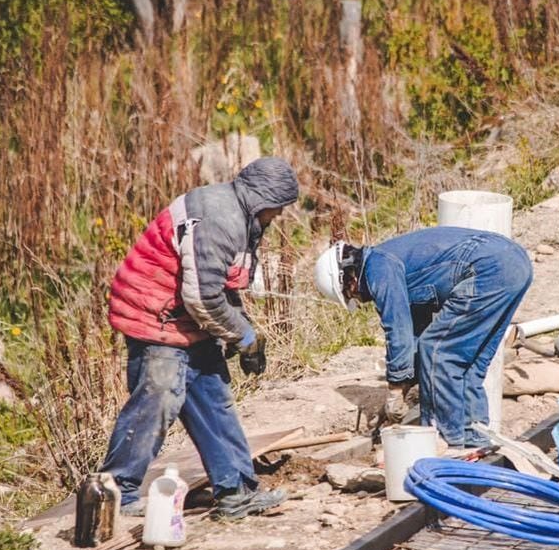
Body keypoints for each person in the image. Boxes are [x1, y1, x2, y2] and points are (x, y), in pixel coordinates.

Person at [101, 157, 298, 519]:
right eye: (277, 209)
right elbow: (203, 297)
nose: (278, 217)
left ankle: (236, 491)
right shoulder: (219, 219)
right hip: (154, 314)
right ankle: (115, 493)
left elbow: (220, 285)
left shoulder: (242, 217)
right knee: (158, 400)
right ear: (262, 200)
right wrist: (243, 336)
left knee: (213, 400)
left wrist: (242, 326)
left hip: (187, 318)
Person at [314, 227, 532, 448]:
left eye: (352, 295)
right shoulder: (400, 261)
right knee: (468, 361)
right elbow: (414, 335)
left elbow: (397, 330)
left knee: (439, 351)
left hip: (488, 268)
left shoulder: (378, 269)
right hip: (513, 262)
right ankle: (474, 437)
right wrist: (404, 382)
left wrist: (395, 389)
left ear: (349, 279)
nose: (360, 299)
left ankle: (445, 440)